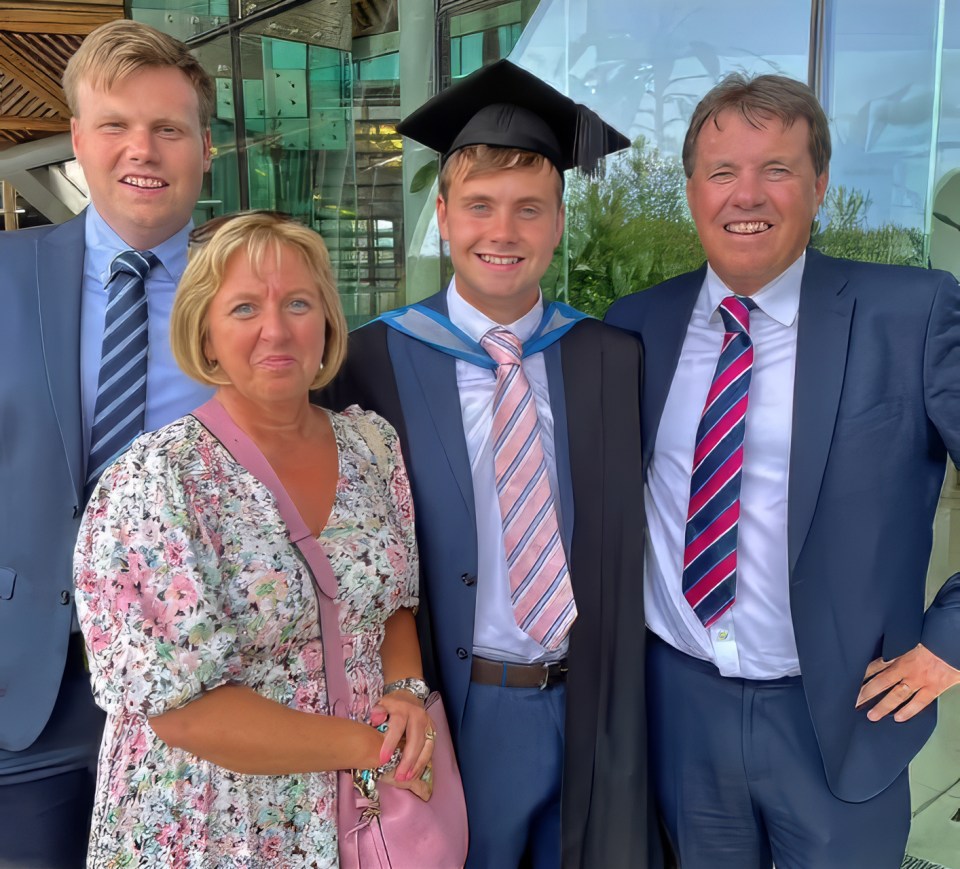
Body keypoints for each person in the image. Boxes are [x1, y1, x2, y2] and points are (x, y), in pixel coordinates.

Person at [605, 72, 960, 868]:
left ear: (820, 185)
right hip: (680, 710)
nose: (747, 194)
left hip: (842, 718)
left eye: (778, 169)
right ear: (693, 189)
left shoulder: (913, 314)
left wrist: (952, 639)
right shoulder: (635, 325)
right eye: (723, 171)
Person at [320, 59, 658, 868]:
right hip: (454, 705)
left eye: (528, 210)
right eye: (479, 206)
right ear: (442, 216)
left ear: (559, 224)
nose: (502, 232)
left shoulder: (611, 357)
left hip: (591, 701)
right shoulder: (369, 363)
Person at [73, 211, 434, 866]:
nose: (276, 328)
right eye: (244, 307)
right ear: (205, 335)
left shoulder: (371, 445)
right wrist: (368, 747)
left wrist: (405, 692)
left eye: (298, 302)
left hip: (363, 814)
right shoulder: (155, 481)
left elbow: (393, 604)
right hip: (214, 821)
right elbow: (180, 711)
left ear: (326, 323)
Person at [0, 19, 215, 867]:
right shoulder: (6, 275)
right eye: (117, 126)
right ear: (79, 141)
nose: (143, 150)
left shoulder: (252, 293)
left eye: (168, 128)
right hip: (26, 690)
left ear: (204, 146)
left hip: (201, 687)